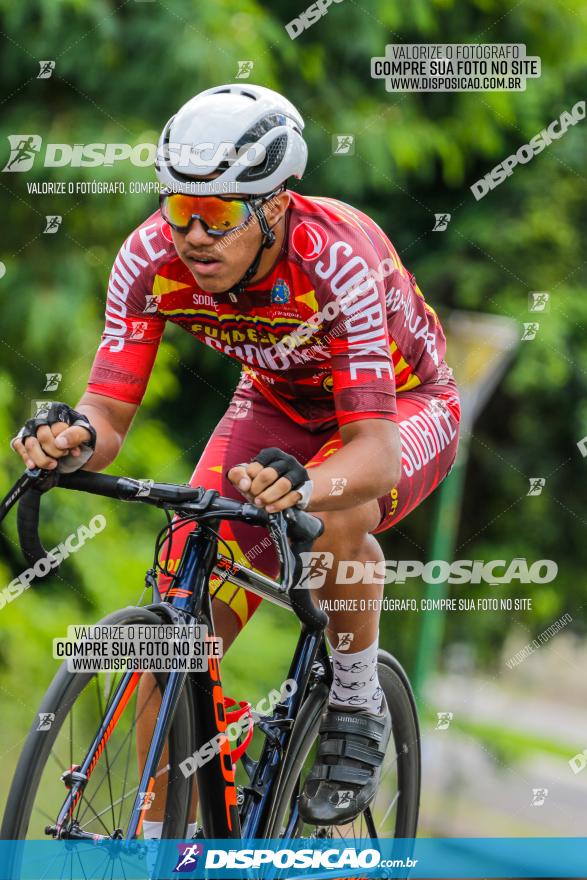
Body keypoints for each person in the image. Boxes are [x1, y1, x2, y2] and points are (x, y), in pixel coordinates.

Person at [10, 83, 460, 828]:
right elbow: (109, 410)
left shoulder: (337, 259)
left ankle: (352, 702)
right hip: (275, 405)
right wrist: (72, 438)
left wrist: (309, 482)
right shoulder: (149, 258)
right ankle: (169, 849)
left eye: (216, 214)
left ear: (276, 205)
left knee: (338, 514)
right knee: (175, 617)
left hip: (402, 409)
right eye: (177, 208)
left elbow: (374, 457)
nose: (192, 235)